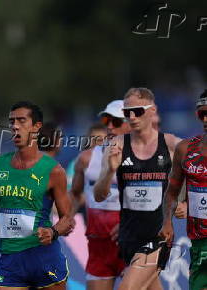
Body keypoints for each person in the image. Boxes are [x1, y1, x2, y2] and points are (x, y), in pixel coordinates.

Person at [0, 101, 75, 289]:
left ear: (36, 127)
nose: (15, 126)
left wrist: (52, 232)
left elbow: (68, 219)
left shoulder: (53, 170)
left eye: (22, 121)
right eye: (12, 121)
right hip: (11, 261)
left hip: (45, 259)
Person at [94, 88, 180, 289]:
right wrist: (109, 172)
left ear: (152, 111)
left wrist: (182, 203)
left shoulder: (171, 144)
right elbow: (99, 195)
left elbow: (190, 177)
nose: (132, 117)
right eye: (127, 112)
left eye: (138, 111)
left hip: (157, 236)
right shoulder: (117, 145)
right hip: (128, 237)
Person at [70, 100, 130, 290]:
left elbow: (159, 200)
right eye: (106, 119)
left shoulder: (146, 158)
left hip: (132, 242)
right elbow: (75, 194)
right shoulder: (86, 159)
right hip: (99, 246)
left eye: (117, 121)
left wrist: (130, 223)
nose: (110, 126)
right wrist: (66, 219)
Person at [159, 90, 207, 290]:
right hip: (199, 243)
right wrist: (167, 222)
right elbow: (171, 192)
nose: (205, 118)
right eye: (201, 113)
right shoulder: (185, 149)